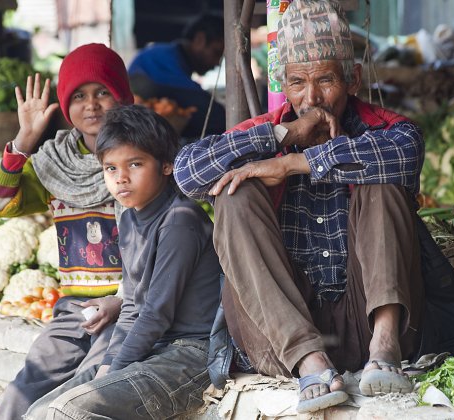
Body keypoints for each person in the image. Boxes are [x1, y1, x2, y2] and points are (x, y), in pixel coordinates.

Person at [174, 0, 427, 413]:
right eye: (297, 83)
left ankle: (384, 345)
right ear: (284, 85)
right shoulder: (270, 130)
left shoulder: (387, 130)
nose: (312, 99)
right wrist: (280, 136)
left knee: (379, 178)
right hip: (280, 340)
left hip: (374, 322)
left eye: (326, 80)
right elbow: (187, 174)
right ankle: (312, 359)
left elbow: (406, 153)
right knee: (233, 192)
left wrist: (294, 163)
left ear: (353, 79)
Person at [25, 104, 222, 419]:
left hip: (190, 357)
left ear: (167, 165)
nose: (122, 178)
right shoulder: (130, 219)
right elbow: (130, 306)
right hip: (153, 350)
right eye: (111, 168)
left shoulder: (179, 222)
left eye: (135, 164)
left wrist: (113, 371)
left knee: (67, 412)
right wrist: (108, 366)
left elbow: (156, 314)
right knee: (36, 412)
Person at [0, 43, 133, 420]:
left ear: (123, 97)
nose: (92, 104)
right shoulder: (53, 165)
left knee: (83, 390)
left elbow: (166, 243)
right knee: (23, 388)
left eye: (102, 92)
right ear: (66, 106)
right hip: (72, 312)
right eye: (79, 95)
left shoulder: (142, 160)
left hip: (128, 308)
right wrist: (25, 139)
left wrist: (120, 301)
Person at [128, 13, 226, 140]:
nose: (217, 63)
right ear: (200, 40)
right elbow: (203, 105)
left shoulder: (170, 59)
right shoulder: (160, 55)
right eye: (216, 52)